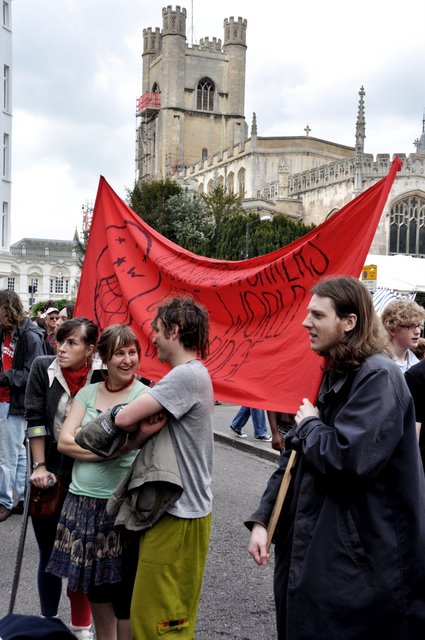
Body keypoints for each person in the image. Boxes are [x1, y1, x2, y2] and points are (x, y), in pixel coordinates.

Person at [246, 275, 425, 640]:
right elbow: (295, 458)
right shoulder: (338, 370)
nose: (305, 322)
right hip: (323, 554)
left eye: (317, 314)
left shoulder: (379, 377)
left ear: (349, 322)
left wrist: (311, 424)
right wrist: (265, 519)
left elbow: (348, 458)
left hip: (354, 566)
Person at [107, 296, 214, 640]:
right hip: (182, 513)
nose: (151, 337)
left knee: (159, 623)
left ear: (174, 330)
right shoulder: (191, 375)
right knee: (169, 618)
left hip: (178, 514)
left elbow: (123, 417)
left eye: (155, 329)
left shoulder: (184, 376)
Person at [47, 324, 151, 640]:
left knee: (125, 595)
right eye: (119, 352)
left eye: (132, 352)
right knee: (96, 590)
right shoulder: (88, 393)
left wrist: (88, 443)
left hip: (122, 505)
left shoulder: (144, 395)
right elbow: (64, 442)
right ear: (104, 357)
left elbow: (76, 441)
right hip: (83, 502)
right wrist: (112, 452)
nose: (127, 359)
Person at [25, 318, 99, 640]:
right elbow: (36, 421)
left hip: (91, 475)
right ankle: (49, 623)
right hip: (52, 473)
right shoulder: (43, 368)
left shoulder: (103, 374)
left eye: (72, 343)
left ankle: (81, 628)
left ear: (90, 350)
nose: (62, 348)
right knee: (50, 554)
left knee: (81, 554)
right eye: (60, 341)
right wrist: (39, 466)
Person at [0, 290, 46, 523]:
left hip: (13, 401)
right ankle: (18, 498)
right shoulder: (9, 332)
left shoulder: (30, 336)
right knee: (16, 453)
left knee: (6, 455)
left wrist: (6, 376)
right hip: (8, 400)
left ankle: (5, 501)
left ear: (6, 309)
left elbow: (33, 374)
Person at [381, 298, 425, 372]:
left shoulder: (415, 362)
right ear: (392, 329)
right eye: (411, 326)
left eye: (419, 326)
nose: (417, 332)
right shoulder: (380, 363)